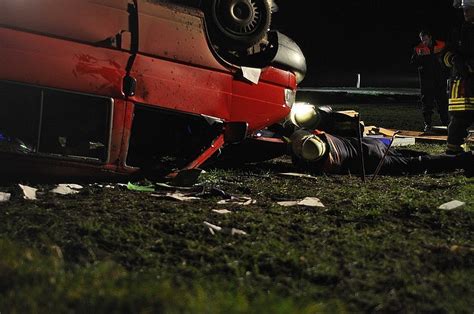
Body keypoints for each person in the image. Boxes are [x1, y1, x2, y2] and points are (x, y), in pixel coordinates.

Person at [289, 129, 473, 177]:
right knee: (408, 155)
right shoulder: (323, 136)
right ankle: (453, 159)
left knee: (417, 163)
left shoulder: (326, 162)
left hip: (372, 161)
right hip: (371, 144)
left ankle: (461, 160)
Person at [442, 0, 474, 154]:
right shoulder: (458, 30)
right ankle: (452, 155)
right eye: (464, 9)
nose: (465, 12)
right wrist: (454, 60)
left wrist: (470, 64)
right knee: (457, 122)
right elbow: (445, 53)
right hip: (460, 88)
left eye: (469, 9)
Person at [411, 30, 450, 131]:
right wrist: (419, 57)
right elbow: (413, 63)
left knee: (443, 103)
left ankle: (447, 123)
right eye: (422, 40)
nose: (424, 42)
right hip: (426, 81)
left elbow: (448, 59)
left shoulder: (442, 45)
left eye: (425, 40)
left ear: (430, 37)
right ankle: (427, 124)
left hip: (440, 80)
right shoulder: (418, 49)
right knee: (427, 104)